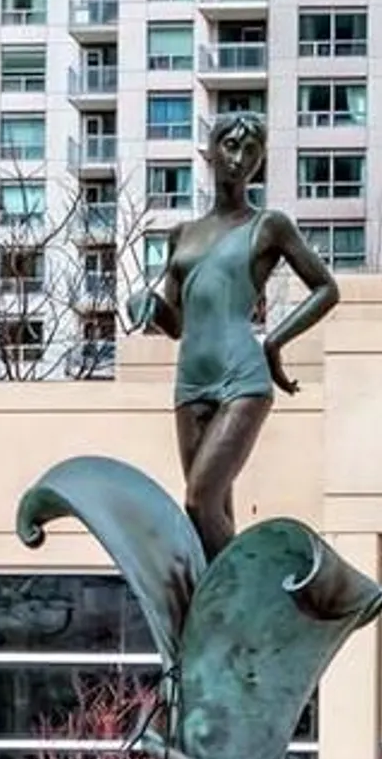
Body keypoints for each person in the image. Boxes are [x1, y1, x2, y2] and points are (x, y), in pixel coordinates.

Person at [129, 107, 341, 560]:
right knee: (208, 517)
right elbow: (179, 323)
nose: (239, 158)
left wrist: (275, 341)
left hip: (241, 380)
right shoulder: (182, 234)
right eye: (230, 145)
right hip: (190, 383)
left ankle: (250, 606)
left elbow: (326, 288)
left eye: (251, 150)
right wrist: (148, 306)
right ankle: (224, 624)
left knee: (199, 500)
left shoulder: (269, 226)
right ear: (209, 151)